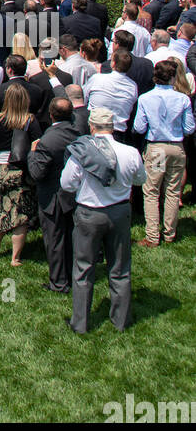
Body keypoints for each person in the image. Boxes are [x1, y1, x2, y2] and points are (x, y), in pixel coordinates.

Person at [61, 105, 147, 333]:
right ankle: (121, 321)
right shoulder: (131, 152)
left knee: (83, 269)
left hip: (89, 213)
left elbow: (67, 183)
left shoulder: (83, 152)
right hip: (119, 212)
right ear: (113, 127)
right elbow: (140, 179)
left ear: (91, 126)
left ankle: (80, 323)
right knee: (120, 268)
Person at [133, 59, 195, 247]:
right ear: (174, 77)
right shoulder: (183, 99)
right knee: (173, 191)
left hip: (157, 148)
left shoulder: (145, 98)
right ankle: (170, 232)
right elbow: (190, 128)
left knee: (152, 191)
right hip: (176, 147)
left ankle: (152, 235)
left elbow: (139, 126)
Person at [26, 97, 83, 293]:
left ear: (50, 115)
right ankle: (71, 275)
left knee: (55, 240)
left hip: (53, 197)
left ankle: (58, 282)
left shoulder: (47, 141)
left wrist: (32, 153)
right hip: (74, 195)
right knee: (70, 238)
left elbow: (36, 173)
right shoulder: (79, 133)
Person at [0, 80, 38, 265]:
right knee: (21, 215)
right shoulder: (30, 120)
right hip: (22, 170)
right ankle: (15, 257)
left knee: (1, 207)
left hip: (1, 168)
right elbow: (38, 144)